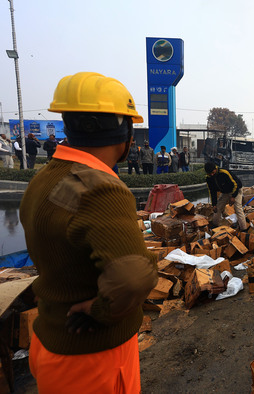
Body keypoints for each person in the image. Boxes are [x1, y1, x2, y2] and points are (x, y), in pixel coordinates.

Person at [19, 71, 158, 393]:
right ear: (124, 130)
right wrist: (100, 310)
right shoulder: (102, 189)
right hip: (92, 357)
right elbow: (134, 277)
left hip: (51, 341)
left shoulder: (45, 179)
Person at [204, 161, 248, 231]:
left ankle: (244, 229)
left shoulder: (224, 173)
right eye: (210, 174)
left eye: (213, 172)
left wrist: (233, 196)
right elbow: (212, 191)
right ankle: (215, 227)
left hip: (236, 189)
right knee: (217, 208)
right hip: (225, 192)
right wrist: (214, 204)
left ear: (215, 168)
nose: (212, 174)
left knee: (238, 209)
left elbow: (235, 185)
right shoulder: (209, 178)